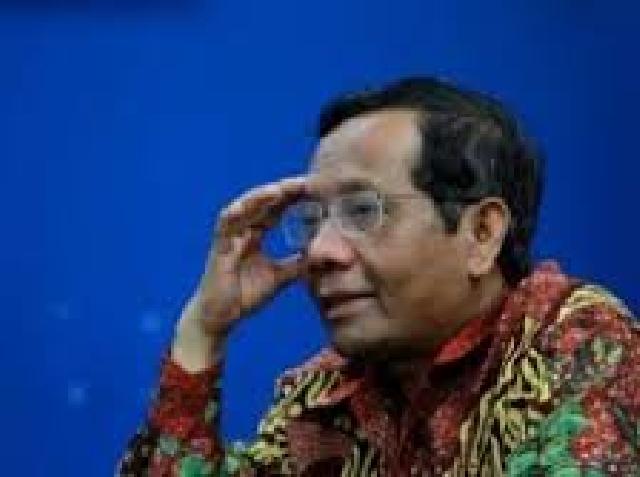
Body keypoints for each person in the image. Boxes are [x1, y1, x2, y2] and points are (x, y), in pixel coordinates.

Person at [117, 77, 639, 476]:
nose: (319, 252)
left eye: (363, 211)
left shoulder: (583, 344)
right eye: (312, 220)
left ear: (481, 233)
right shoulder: (327, 391)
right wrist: (203, 329)